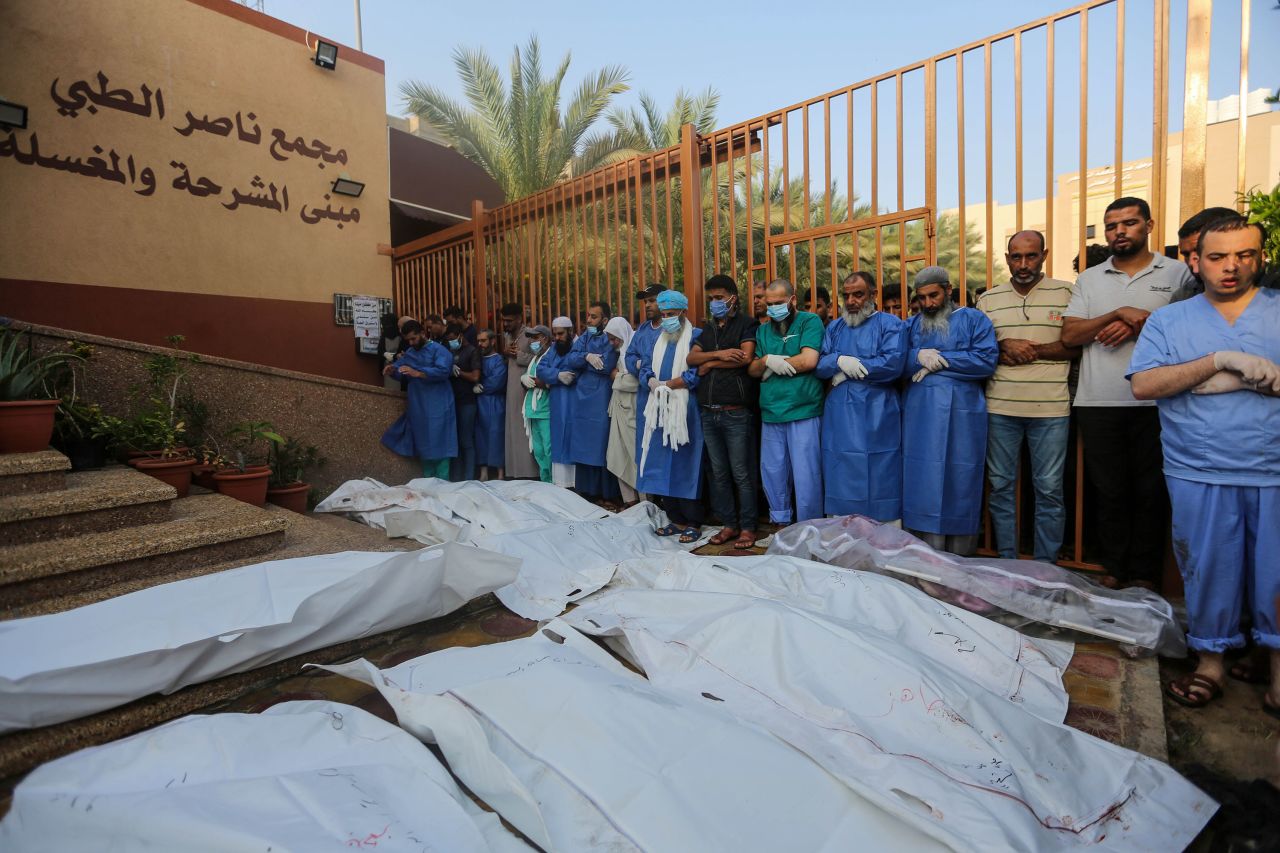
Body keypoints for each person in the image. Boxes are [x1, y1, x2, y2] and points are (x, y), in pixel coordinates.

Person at [1128, 215, 1280, 711]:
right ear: (1196, 261)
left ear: (1261, 257)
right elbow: (1145, 385)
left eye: (1245, 255)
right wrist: (1217, 361)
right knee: (1209, 567)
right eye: (1217, 257)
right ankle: (1211, 660)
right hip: (1200, 466)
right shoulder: (1170, 321)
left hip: (1273, 468)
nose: (1231, 267)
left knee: (1275, 573)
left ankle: (1275, 666)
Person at [1061, 196, 1196, 587]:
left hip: (1157, 399)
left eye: (1129, 223)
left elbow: (1190, 328)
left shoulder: (1176, 273)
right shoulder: (1089, 278)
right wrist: (1118, 313)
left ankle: (1146, 575)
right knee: (1109, 491)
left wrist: (1142, 323)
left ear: (1149, 226)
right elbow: (1070, 334)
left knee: (1152, 491)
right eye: (1111, 225)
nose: (1119, 231)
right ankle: (1115, 569)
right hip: (1098, 399)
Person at [976, 231, 1079, 563]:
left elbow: (1076, 345)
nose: (1023, 264)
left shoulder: (1067, 293)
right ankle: (1008, 561)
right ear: (1007, 258)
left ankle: (1046, 566)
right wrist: (1002, 346)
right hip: (999, 406)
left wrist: (1031, 351)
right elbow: (977, 351)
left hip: (1051, 409)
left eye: (1031, 256)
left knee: (1049, 490)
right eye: (1016, 257)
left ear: (1044, 255)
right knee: (1001, 487)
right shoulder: (988, 300)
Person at [901, 266, 998, 555]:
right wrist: (915, 356)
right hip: (920, 418)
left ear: (948, 291)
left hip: (962, 419)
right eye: (922, 298)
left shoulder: (973, 320)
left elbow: (984, 361)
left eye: (934, 295)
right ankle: (920, 558)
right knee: (922, 480)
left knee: (960, 479)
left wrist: (941, 359)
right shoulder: (910, 326)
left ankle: (959, 558)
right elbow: (895, 362)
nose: (928, 303)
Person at [816, 271, 907, 522]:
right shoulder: (835, 327)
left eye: (858, 294)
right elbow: (821, 364)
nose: (852, 301)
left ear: (873, 295)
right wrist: (838, 360)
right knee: (841, 470)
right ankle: (841, 538)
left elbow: (892, 364)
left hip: (879, 414)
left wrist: (850, 370)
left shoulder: (891, 325)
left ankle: (884, 543)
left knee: (881, 470)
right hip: (840, 417)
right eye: (846, 296)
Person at [687, 274, 759, 549]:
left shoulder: (746, 323)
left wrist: (709, 364)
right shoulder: (708, 330)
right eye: (711, 299)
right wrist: (719, 356)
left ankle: (749, 528)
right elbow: (692, 359)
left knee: (741, 473)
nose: (714, 303)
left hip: (735, 412)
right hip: (709, 411)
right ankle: (729, 524)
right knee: (719, 473)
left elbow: (746, 358)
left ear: (733, 297)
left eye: (718, 298)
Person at [747, 279, 825, 526]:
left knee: (807, 476)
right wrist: (768, 359)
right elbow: (753, 369)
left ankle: (809, 529)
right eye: (769, 305)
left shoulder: (809, 322)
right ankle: (780, 525)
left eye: (779, 303)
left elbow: (809, 360)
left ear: (792, 300)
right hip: (771, 411)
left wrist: (778, 366)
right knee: (773, 472)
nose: (773, 309)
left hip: (803, 409)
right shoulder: (762, 330)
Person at [635, 289, 705, 542]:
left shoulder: (696, 336)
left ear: (683, 313)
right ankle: (675, 519)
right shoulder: (657, 339)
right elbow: (644, 365)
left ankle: (694, 522)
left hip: (685, 413)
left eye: (671, 314)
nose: (667, 319)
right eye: (664, 315)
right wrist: (652, 381)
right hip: (658, 411)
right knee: (661, 463)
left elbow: (698, 372)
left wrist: (671, 384)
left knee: (686, 465)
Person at [380, 320, 457, 478]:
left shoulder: (439, 350)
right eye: (408, 340)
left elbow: (443, 370)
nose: (411, 342)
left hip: (439, 403)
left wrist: (419, 373)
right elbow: (402, 369)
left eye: (414, 338)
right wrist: (392, 370)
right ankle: (427, 484)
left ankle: (443, 485)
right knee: (424, 442)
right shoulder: (410, 352)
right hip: (419, 405)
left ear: (422, 333)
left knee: (441, 440)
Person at [564, 301, 621, 503]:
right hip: (582, 398)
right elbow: (570, 359)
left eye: (593, 317)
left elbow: (606, 365)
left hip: (601, 396)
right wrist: (587, 357)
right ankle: (586, 491)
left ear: (605, 320)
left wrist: (584, 361)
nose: (588, 320)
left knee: (602, 445)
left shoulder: (611, 338)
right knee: (583, 444)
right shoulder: (585, 337)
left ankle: (607, 494)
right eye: (588, 315)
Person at [537, 317, 578, 488]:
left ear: (571, 331)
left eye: (561, 334)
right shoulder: (554, 349)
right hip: (557, 401)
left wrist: (552, 375)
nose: (557, 338)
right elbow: (541, 369)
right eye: (555, 334)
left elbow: (575, 369)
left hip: (575, 401)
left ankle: (577, 485)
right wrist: (558, 376)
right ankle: (561, 484)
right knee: (559, 441)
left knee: (574, 441)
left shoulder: (579, 346)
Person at [604, 316, 641, 505]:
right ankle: (630, 501)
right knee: (616, 455)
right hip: (619, 409)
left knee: (636, 457)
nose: (612, 343)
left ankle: (645, 501)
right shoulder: (619, 354)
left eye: (614, 338)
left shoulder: (635, 352)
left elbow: (637, 381)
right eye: (610, 339)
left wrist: (617, 377)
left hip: (632, 410)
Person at [500, 302, 539, 479]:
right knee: (512, 429)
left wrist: (519, 356)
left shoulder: (530, 335)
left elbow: (540, 358)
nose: (506, 324)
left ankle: (530, 473)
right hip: (511, 387)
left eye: (509, 321)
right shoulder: (506, 336)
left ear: (519, 319)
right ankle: (514, 472)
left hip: (527, 388)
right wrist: (505, 353)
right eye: (504, 321)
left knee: (525, 430)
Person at [1170, 207, 1239, 303]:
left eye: (1199, 251)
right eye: (1186, 255)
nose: (1191, 263)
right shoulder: (1184, 297)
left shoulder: (1266, 292)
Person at [444, 323, 481, 482]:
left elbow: (475, 377)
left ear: (460, 335)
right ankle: (457, 478)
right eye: (449, 340)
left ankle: (469, 477)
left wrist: (458, 373)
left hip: (467, 401)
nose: (451, 342)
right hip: (453, 401)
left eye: (453, 339)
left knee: (466, 440)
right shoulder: (451, 351)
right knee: (455, 441)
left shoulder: (472, 351)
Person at [519, 325, 554, 482]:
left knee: (549, 449)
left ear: (545, 338)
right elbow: (530, 381)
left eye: (535, 337)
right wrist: (524, 380)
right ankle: (545, 482)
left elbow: (549, 381)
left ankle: (554, 483)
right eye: (531, 338)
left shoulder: (551, 355)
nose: (532, 341)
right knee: (538, 450)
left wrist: (531, 380)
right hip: (533, 410)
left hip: (546, 409)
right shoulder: (535, 358)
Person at [473, 329, 506, 481]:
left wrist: (481, 386)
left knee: (497, 435)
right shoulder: (477, 358)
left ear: (492, 341)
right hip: (480, 403)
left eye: (483, 340)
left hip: (495, 403)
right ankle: (484, 471)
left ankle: (500, 472)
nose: (480, 344)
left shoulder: (498, 360)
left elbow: (497, 381)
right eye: (478, 341)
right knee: (480, 436)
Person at [376, 312, 404, 389]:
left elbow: (380, 351)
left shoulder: (401, 336)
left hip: (394, 367)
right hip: (390, 368)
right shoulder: (400, 336)